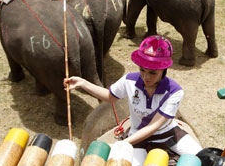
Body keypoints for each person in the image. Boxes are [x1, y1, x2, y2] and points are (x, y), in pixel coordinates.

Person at [64, 35, 202, 156]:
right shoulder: (129, 80)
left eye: (153, 72)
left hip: (167, 135)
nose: (146, 77)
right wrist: (83, 83)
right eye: (142, 70)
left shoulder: (175, 92)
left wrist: (122, 144)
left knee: (205, 160)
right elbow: (109, 96)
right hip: (137, 137)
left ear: (164, 69)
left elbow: (153, 127)